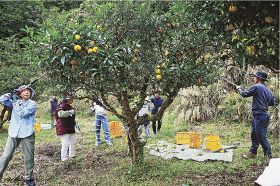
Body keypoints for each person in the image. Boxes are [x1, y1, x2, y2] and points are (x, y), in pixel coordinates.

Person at [0, 85, 36, 186]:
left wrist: (15, 101)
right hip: (13, 132)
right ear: (19, 93)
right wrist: (9, 95)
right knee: (6, 155)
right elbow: (1, 99)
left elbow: (22, 113)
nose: (27, 92)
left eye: (28, 91)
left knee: (29, 157)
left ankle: (28, 178)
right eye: (24, 91)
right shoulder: (14, 101)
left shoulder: (32, 104)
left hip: (27, 133)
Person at [236, 71, 275, 159]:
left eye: (255, 77)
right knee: (254, 134)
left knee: (261, 136)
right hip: (260, 115)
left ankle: (268, 155)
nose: (254, 78)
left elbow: (244, 94)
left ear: (259, 78)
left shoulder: (257, 86)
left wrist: (239, 89)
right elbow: (272, 103)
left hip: (260, 115)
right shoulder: (268, 90)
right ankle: (252, 153)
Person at [55, 95, 77, 161]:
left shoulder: (69, 106)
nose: (72, 100)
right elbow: (60, 114)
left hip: (70, 127)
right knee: (65, 144)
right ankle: (64, 159)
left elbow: (71, 117)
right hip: (63, 127)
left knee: (73, 142)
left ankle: (72, 156)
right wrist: (70, 112)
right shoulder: (61, 106)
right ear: (67, 100)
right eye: (71, 99)